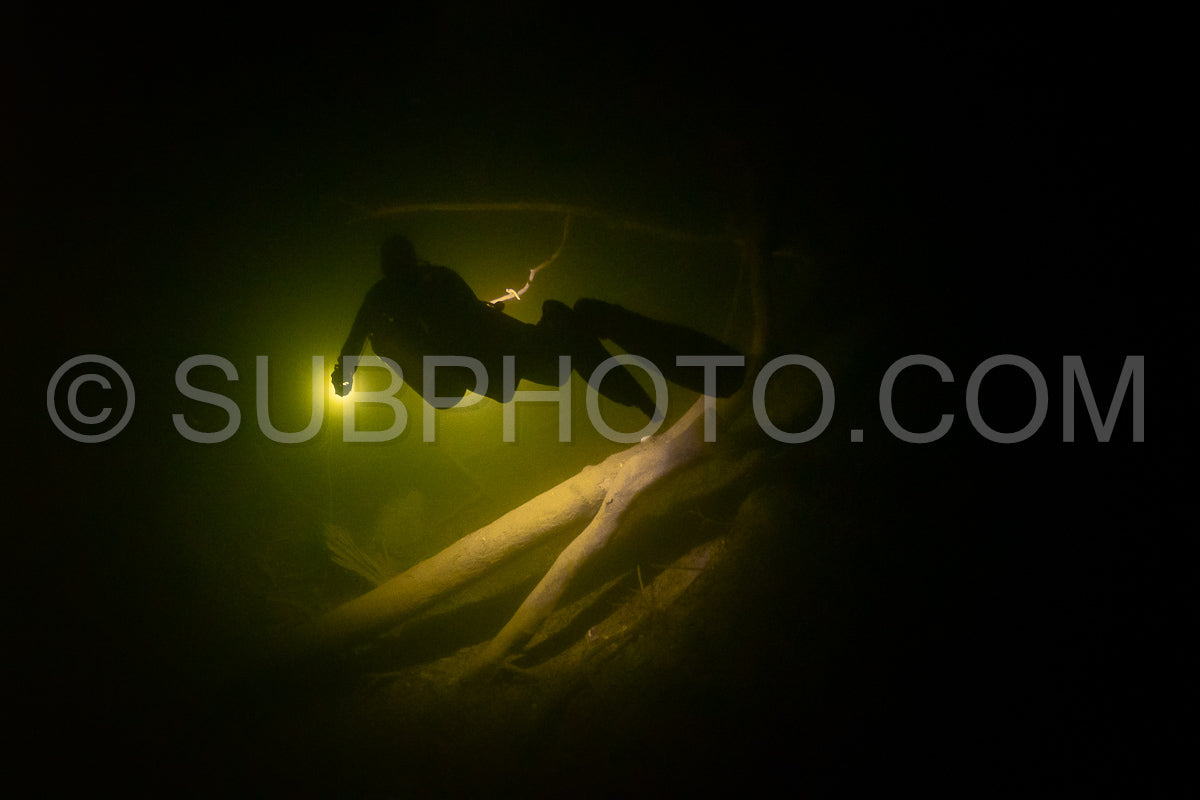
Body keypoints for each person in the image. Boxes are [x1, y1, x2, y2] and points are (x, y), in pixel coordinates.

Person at [332, 234, 745, 417]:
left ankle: (651, 400)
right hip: (510, 354)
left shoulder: (394, 295)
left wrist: (343, 379)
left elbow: (353, 345)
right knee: (577, 322)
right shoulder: (426, 281)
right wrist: (344, 376)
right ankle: (655, 396)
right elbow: (469, 316)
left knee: (576, 329)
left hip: (507, 359)